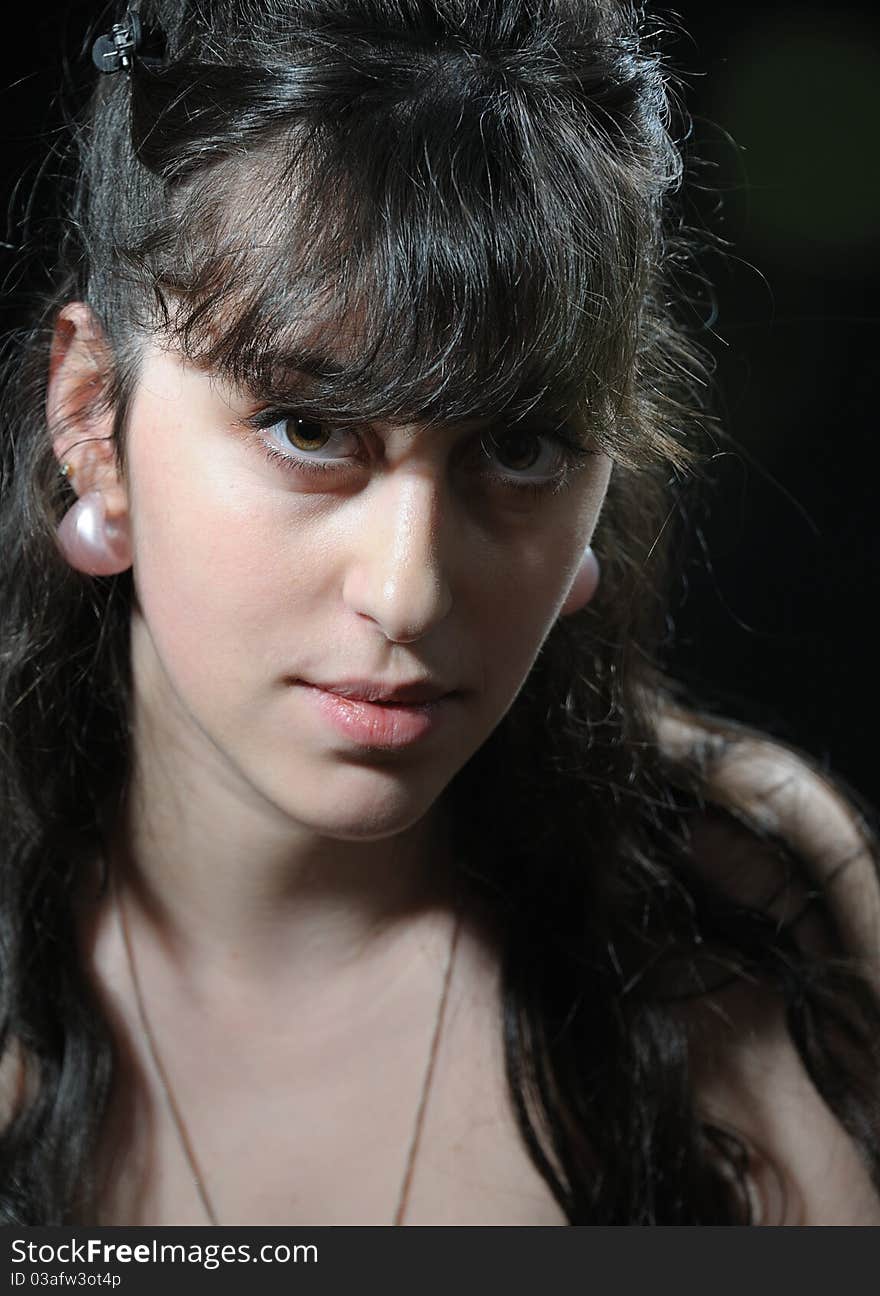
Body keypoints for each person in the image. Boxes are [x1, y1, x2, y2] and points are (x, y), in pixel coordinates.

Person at [0, 0, 878, 1227]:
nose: (410, 591)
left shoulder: (744, 899)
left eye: (519, 447)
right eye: (308, 431)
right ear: (95, 421)